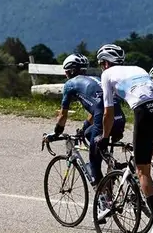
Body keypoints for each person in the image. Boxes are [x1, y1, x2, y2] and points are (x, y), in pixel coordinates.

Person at [96, 43, 153, 233]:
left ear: (105, 63)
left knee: (142, 171)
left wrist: (104, 138)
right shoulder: (138, 69)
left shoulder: (106, 75)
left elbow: (108, 112)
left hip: (144, 111)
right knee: (147, 149)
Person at [51, 53, 124, 184]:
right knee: (87, 133)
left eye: (66, 72)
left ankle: (104, 199)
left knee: (93, 160)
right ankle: (111, 165)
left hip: (103, 120)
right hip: (119, 118)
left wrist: (56, 133)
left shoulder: (70, 84)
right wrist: (84, 126)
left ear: (71, 71)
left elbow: (63, 116)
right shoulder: (96, 78)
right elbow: (96, 107)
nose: (66, 75)